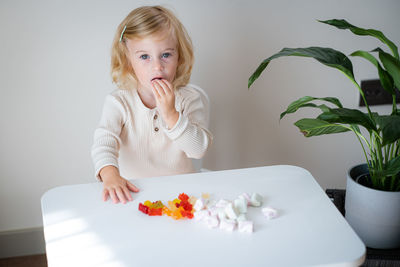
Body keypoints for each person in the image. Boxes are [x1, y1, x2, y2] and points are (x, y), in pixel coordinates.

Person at [91, 6, 212, 204]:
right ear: (128, 61)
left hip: (182, 193)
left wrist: (171, 115)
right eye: (144, 57)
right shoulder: (119, 103)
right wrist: (110, 175)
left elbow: (198, 149)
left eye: (166, 55)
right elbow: (103, 143)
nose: (157, 66)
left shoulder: (189, 99)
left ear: (179, 57)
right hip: (133, 193)